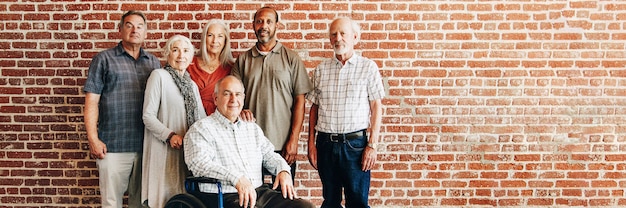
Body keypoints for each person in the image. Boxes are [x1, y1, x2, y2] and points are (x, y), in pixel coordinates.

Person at [184, 75, 315, 208]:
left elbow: (269, 155)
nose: (233, 100)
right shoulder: (201, 129)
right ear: (216, 99)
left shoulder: (251, 128)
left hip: (259, 192)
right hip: (224, 196)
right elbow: (199, 164)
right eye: (227, 94)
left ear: (243, 98)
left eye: (238, 94)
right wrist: (236, 178)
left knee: (304, 206)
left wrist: (283, 170)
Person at [83, 10, 160, 208]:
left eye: (139, 26)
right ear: (120, 29)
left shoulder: (154, 63)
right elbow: (91, 101)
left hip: (146, 147)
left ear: (145, 32)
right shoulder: (104, 59)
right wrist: (93, 138)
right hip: (113, 146)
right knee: (111, 203)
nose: (135, 30)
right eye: (129, 25)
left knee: (142, 203)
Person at [306, 17, 385, 208]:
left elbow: (376, 107)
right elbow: (314, 107)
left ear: (355, 38)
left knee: (357, 202)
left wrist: (372, 145)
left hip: (355, 146)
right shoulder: (321, 70)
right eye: (333, 34)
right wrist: (311, 143)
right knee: (330, 201)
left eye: (343, 33)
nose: (338, 38)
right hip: (325, 144)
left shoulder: (368, 67)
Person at [231, 6, 312, 179]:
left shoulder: (291, 58)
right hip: (249, 144)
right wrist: (240, 111)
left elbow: (300, 101)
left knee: (283, 200)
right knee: (251, 199)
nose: (264, 26)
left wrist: (294, 140)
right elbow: (232, 96)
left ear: (277, 25)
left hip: (282, 143)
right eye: (259, 21)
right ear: (253, 25)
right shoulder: (243, 60)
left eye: (269, 21)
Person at [141, 35, 207, 208]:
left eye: (186, 51)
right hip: (163, 150)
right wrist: (169, 135)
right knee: (164, 200)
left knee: (183, 201)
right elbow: (148, 116)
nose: (181, 55)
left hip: (187, 153)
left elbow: (201, 119)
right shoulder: (159, 76)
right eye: (175, 50)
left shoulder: (191, 85)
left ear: (191, 57)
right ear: (167, 54)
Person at [188, 19, 234, 115]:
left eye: (220, 36)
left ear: (225, 40)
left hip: (219, 119)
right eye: (210, 35)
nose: (215, 40)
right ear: (204, 38)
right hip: (190, 117)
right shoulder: (190, 63)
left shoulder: (231, 68)